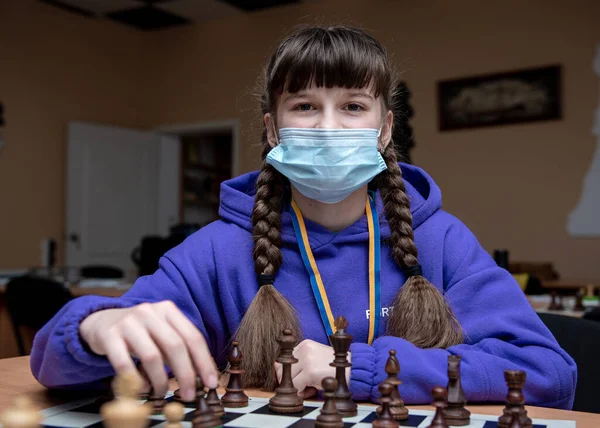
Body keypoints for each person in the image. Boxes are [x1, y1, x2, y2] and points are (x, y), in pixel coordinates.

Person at [30, 25, 576, 410]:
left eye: (354, 107)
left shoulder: (443, 240)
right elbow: (54, 365)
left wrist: (356, 370)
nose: (329, 127)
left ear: (385, 130)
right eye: (306, 106)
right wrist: (95, 326)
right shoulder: (219, 250)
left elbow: (549, 375)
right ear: (273, 129)